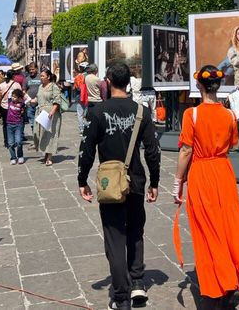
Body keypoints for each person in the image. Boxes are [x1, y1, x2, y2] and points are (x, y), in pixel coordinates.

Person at [78, 62, 160, 310]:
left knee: (115, 237)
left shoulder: (97, 112)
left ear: (109, 81)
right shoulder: (142, 111)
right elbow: (153, 152)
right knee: (135, 230)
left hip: (110, 182)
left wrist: (82, 180)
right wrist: (154, 182)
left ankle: (121, 295)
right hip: (135, 179)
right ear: (128, 82)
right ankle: (137, 282)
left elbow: (86, 149)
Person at [173, 65, 239, 308]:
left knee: (206, 230)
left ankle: (217, 285)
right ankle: (234, 279)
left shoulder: (191, 115)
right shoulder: (229, 115)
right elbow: (232, 143)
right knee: (229, 227)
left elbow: (186, 150)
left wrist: (178, 182)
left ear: (199, 85)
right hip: (223, 171)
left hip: (202, 172)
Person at [34, 69, 64, 166]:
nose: (41, 78)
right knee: (40, 134)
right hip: (41, 113)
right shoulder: (40, 87)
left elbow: (57, 100)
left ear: (48, 77)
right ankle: (46, 154)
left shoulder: (53, 86)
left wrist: (52, 112)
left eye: (43, 76)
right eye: (41, 76)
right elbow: (38, 98)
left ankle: (49, 157)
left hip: (51, 114)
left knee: (51, 135)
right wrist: (28, 100)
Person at [0, 70, 22, 148]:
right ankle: (14, 140)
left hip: (4, 107)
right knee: (16, 124)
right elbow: (21, 97)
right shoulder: (17, 85)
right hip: (15, 108)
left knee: (5, 125)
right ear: (13, 76)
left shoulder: (1, 85)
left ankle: (7, 141)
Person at [5, 88, 28, 165]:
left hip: (18, 124)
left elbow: (27, 99)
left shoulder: (22, 104)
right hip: (9, 124)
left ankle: (20, 156)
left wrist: (23, 95)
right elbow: (8, 94)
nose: (13, 98)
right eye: (12, 96)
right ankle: (13, 157)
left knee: (19, 141)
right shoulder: (10, 102)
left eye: (15, 97)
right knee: (10, 143)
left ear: (19, 98)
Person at [24, 62, 42, 138]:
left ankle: (41, 138)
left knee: (41, 122)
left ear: (36, 69)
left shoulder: (41, 77)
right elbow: (24, 91)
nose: (31, 71)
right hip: (30, 105)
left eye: (33, 69)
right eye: (30, 69)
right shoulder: (27, 79)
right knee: (32, 123)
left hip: (40, 104)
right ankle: (36, 139)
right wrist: (27, 100)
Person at [73, 63, 88, 133]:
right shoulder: (89, 76)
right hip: (88, 97)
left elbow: (76, 88)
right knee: (87, 113)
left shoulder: (78, 77)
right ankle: (87, 127)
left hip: (80, 97)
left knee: (80, 114)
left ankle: (82, 129)